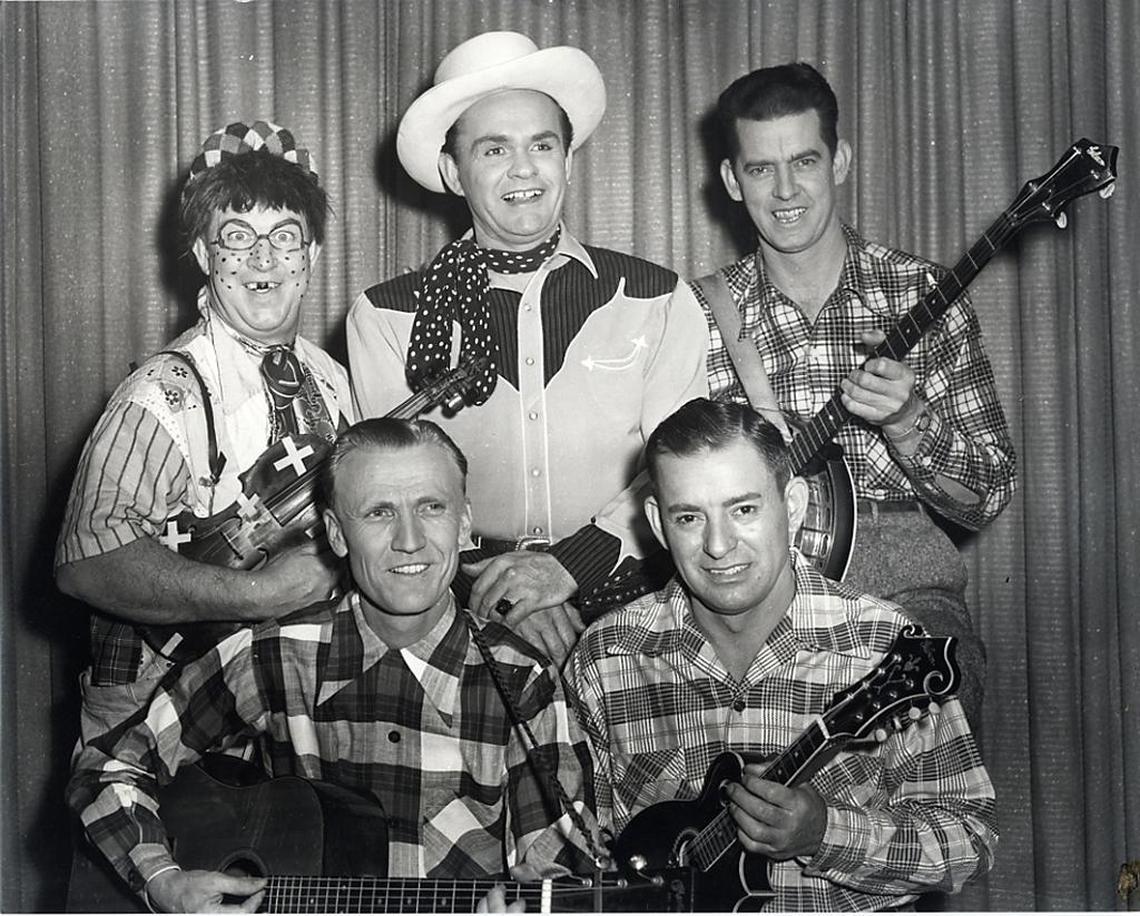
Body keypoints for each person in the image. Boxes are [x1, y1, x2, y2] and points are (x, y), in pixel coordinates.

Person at [66, 417, 600, 913]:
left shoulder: (520, 678)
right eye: (379, 512)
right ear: (337, 535)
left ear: (463, 525)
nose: (410, 540)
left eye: (432, 507)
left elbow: (558, 868)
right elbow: (108, 762)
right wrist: (163, 880)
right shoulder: (275, 653)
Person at [347, 31, 708, 664]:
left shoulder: (658, 297)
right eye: (494, 149)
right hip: (460, 599)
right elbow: (390, 491)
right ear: (454, 172)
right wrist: (504, 593)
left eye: (542, 145)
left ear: (568, 161)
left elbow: (685, 472)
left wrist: (568, 568)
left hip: (635, 596)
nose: (523, 169)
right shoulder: (387, 316)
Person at [566, 398, 998, 911]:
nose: (718, 545)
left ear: (792, 506)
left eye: (744, 510)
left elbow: (970, 841)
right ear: (659, 525)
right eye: (689, 518)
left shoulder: (884, 644)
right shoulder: (607, 656)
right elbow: (576, 852)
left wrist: (826, 833)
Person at [693, 62, 1017, 725]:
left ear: (839, 160)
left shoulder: (925, 294)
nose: (786, 190)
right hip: (752, 589)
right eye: (760, 169)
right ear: (731, 180)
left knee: (931, 709)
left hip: (902, 579)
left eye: (804, 161)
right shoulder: (696, 315)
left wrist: (909, 423)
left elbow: (989, 494)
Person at [55, 121, 353, 745]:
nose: (263, 259)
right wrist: (256, 594)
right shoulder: (162, 394)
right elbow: (87, 565)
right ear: (202, 256)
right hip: (156, 718)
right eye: (237, 237)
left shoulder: (330, 378)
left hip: (286, 702)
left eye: (285, 236)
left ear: (313, 256)